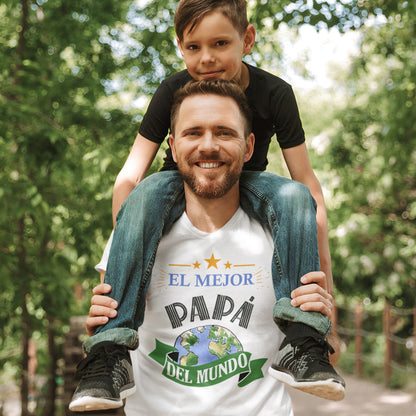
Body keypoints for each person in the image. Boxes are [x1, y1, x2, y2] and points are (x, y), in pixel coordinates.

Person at [70, 0, 344, 410]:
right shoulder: (172, 89)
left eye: (219, 43)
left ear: (247, 40)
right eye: (194, 47)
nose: (207, 58)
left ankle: (304, 341)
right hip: (175, 183)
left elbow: (306, 180)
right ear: (180, 47)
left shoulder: (275, 92)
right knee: (143, 193)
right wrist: (123, 254)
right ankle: (108, 355)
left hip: (246, 181)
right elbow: (129, 176)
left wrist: (328, 296)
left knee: (294, 196)